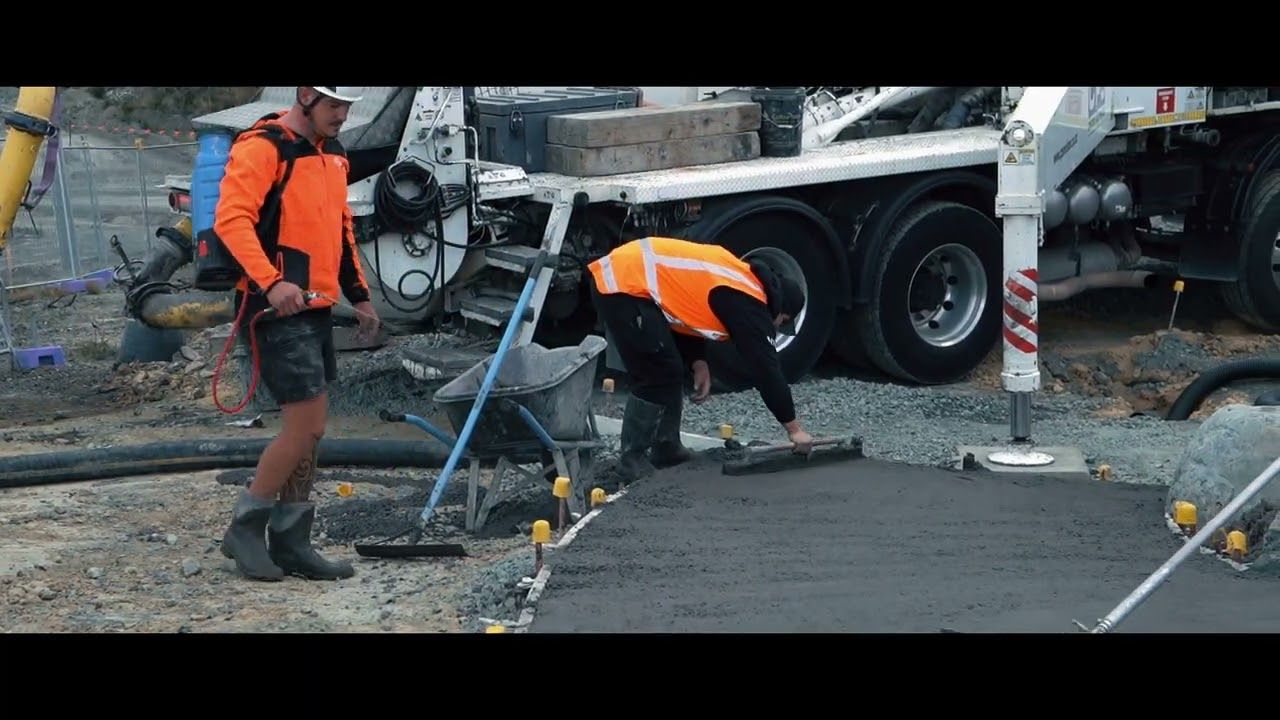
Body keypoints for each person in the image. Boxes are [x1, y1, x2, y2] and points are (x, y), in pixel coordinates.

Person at [213, 86, 381, 581]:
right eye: (334, 106)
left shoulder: (333, 153)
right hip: (273, 309)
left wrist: (360, 294)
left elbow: (341, 227)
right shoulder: (264, 147)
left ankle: (290, 540)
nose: (342, 116)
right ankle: (245, 528)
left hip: (316, 306)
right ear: (305, 96)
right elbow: (232, 220)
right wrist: (271, 282)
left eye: (348, 107)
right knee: (303, 427)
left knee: (313, 432)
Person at [587, 236, 814, 481]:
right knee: (656, 370)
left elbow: (685, 309)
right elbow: (766, 370)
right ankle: (632, 460)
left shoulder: (743, 282)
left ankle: (666, 447)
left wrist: (698, 362)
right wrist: (794, 429)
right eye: (781, 324)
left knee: (669, 366)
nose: (776, 328)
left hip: (630, 278)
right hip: (623, 284)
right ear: (783, 313)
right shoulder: (751, 303)